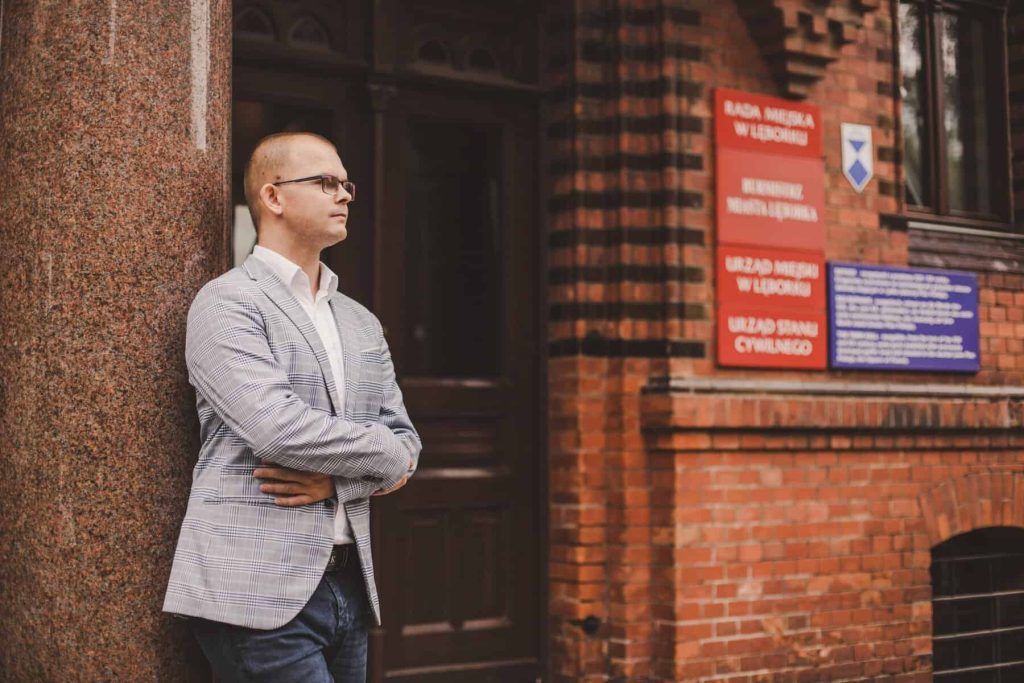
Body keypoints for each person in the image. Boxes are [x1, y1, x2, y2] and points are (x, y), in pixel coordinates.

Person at [163, 131, 421, 682]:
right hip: (254, 592)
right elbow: (278, 429)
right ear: (273, 196)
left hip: (349, 586)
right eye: (326, 182)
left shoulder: (360, 321)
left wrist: (339, 484)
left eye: (346, 184)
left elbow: (408, 440)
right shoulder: (227, 302)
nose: (344, 194)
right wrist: (385, 457)